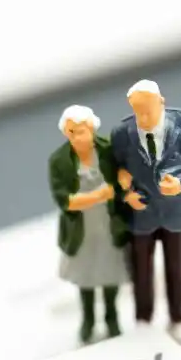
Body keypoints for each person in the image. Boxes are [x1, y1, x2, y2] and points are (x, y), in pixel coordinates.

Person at [110, 80, 181, 345]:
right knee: (140, 270)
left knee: (176, 265)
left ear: (161, 102)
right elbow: (115, 169)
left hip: (176, 210)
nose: (143, 116)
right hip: (141, 213)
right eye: (137, 110)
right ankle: (143, 318)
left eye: (148, 109)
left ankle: (178, 317)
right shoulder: (122, 133)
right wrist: (126, 193)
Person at [48, 105, 130, 344]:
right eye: (71, 132)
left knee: (110, 272)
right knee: (85, 277)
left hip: (108, 225)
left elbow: (125, 176)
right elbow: (65, 200)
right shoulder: (60, 162)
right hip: (81, 230)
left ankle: (112, 317)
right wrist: (99, 195)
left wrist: (124, 181)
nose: (77, 137)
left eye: (81, 131)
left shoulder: (109, 149)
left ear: (92, 129)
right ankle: (88, 319)